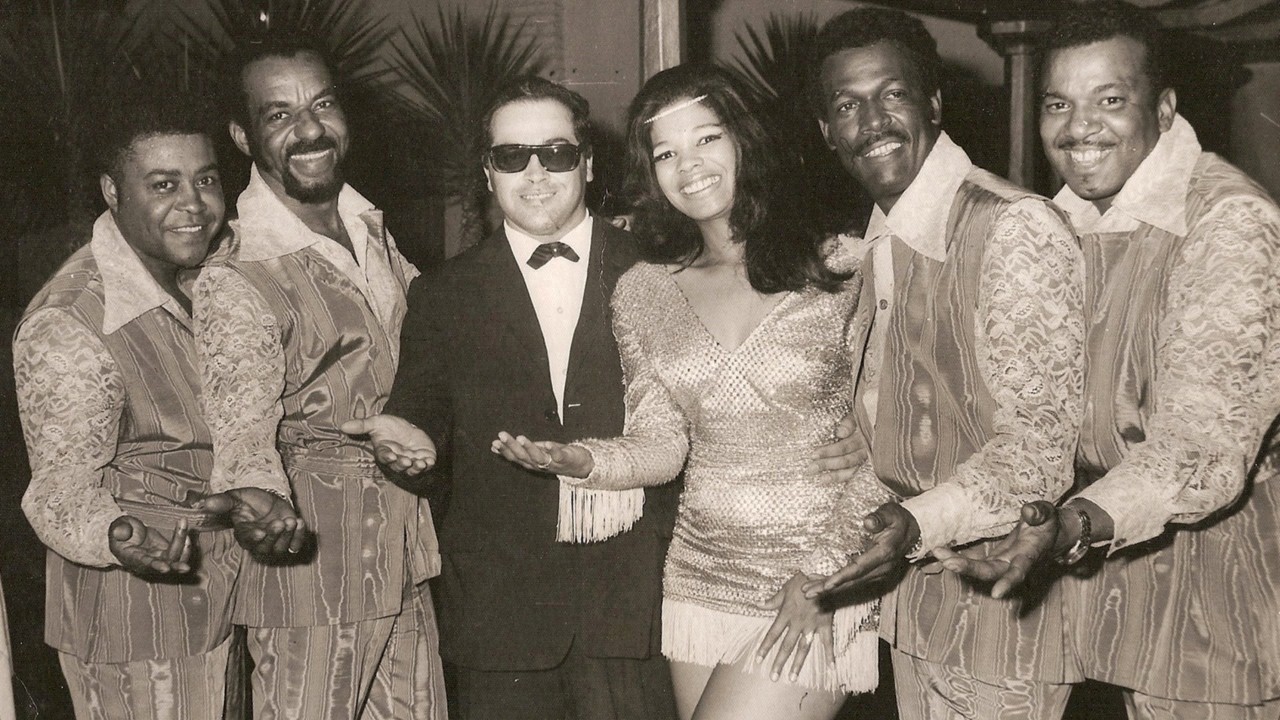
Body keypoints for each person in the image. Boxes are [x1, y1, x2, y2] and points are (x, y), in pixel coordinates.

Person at [486, 64, 883, 720]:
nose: (687, 165)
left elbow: (888, 440)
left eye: (706, 138)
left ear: (744, 139)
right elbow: (662, 443)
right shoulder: (645, 290)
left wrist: (825, 572)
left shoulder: (843, 264)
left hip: (817, 569)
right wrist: (585, 461)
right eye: (665, 152)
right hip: (699, 579)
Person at [935, 2, 1280, 717]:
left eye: (1110, 100)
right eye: (1058, 103)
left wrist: (1073, 524)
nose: (1078, 127)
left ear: (1165, 108)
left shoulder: (1229, 222)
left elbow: (1201, 448)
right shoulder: (1059, 221)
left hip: (1213, 580)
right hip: (1084, 564)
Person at [341, 75, 681, 720]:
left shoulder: (663, 269)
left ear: (587, 163)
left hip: (637, 604)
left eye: (556, 153)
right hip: (500, 616)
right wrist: (409, 451)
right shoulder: (442, 293)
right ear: (488, 171)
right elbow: (422, 425)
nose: (535, 173)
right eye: (512, 155)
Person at [799, 8, 1088, 719]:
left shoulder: (1011, 226)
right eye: (847, 106)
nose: (872, 121)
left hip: (1003, 606)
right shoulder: (882, 239)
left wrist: (914, 522)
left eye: (892, 94)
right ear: (826, 131)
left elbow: (1041, 448)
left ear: (933, 102)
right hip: (919, 603)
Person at [13, 91, 305, 720]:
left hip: (220, 601)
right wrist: (115, 535)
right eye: (164, 185)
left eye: (206, 180)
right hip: (130, 622)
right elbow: (58, 488)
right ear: (112, 192)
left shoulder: (216, 274)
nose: (193, 204)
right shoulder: (71, 319)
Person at [192, 35, 445, 720]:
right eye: (279, 115)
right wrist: (260, 501)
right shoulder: (239, 271)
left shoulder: (369, 228)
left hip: (403, 551)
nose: (309, 130)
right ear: (243, 137)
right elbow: (239, 424)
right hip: (313, 568)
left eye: (322, 105)